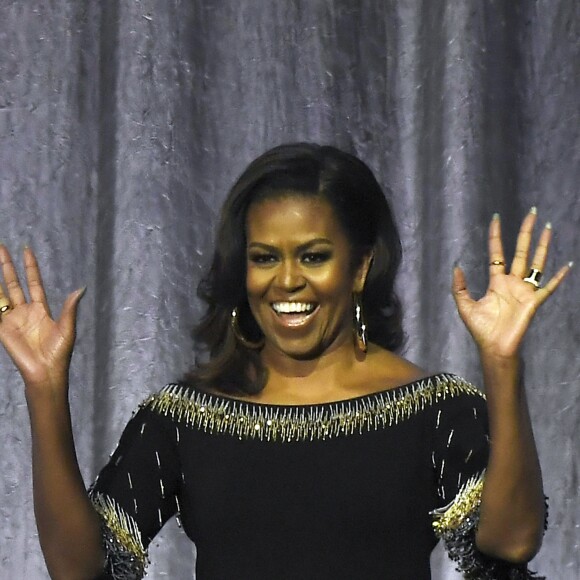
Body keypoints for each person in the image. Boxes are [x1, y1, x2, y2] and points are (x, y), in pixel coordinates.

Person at [0, 143, 572, 579]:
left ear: (360, 268)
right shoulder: (184, 418)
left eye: (315, 256)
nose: (288, 280)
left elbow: (513, 542)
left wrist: (502, 363)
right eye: (265, 257)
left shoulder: (436, 412)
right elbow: (80, 568)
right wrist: (45, 388)